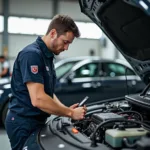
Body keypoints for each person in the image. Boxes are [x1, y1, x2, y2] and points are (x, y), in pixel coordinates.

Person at [5, 14, 87, 150]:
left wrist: (66, 110)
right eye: (65, 42)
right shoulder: (32, 55)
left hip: (35, 121)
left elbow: (48, 93)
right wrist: (70, 113)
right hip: (23, 122)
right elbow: (38, 99)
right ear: (53, 33)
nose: (66, 48)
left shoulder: (46, 56)